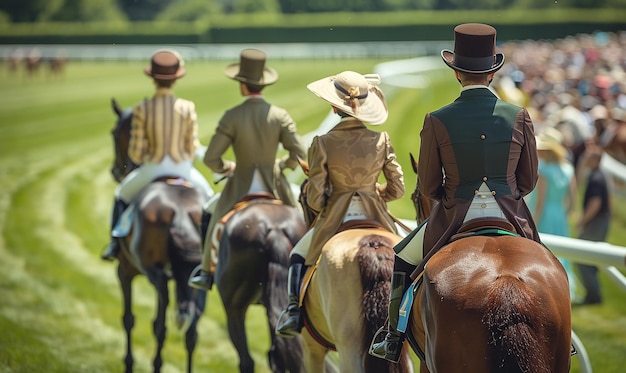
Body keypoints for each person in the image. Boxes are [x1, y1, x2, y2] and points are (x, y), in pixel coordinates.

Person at [370, 23, 542, 362]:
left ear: (457, 73)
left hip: (454, 215)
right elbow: (528, 182)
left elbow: (430, 186)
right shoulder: (519, 115)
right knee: (545, 265)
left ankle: (392, 337)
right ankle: (559, 335)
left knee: (403, 258)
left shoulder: (437, 118)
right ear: (493, 73)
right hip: (509, 213)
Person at [275, 70, 405, 337]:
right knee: (410, 259)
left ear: (334, 107)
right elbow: (397, 188)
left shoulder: (323, 142)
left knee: (297, 255)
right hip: (376, 215)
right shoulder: (381, 140)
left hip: (334, 217)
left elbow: (315, 198)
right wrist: (374, 191)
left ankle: (293, 311)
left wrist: (329, 199)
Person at [188, 48, 308, 290]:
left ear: (242, 85)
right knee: (303, 221)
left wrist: (228, 167)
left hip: (238, 187)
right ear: (263, 85)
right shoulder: (279, 115)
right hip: (275, 188)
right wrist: (283, 165)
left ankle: (207, 269)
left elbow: (212, 158)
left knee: (211, 216)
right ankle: (307, 266)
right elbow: (300, 153)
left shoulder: (232, 116)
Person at [102, 49, 214, 261]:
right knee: (207, 199)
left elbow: (135, 153)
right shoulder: (187, 107)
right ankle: (211, 251)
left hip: (151, 169)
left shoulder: (142, 109)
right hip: (183, 169)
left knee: (120, 194)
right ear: (175, 80)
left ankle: (114, 244)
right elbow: (191, 148)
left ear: (153, 80)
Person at [526, 126, 580, 301]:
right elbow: (572, 197)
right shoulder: (568, 169)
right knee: (561, 253)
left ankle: (545, 286)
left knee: (543, 250)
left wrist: (532, 222)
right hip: (559, 214)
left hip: (545, 214)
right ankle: (564, 287)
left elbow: (540, 201)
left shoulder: (545, 172)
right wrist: (567, 212)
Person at [576, 146, 611, 304]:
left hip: (595, 222)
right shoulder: (601, 175)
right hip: (601, 221)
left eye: (588, 157)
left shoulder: (596, 178)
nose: (586, 160)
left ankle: (593, 296)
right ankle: (594, 294)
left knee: (582, 257)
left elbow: (595, 204)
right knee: (590, 259)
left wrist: (582, 220)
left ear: (595, 159)